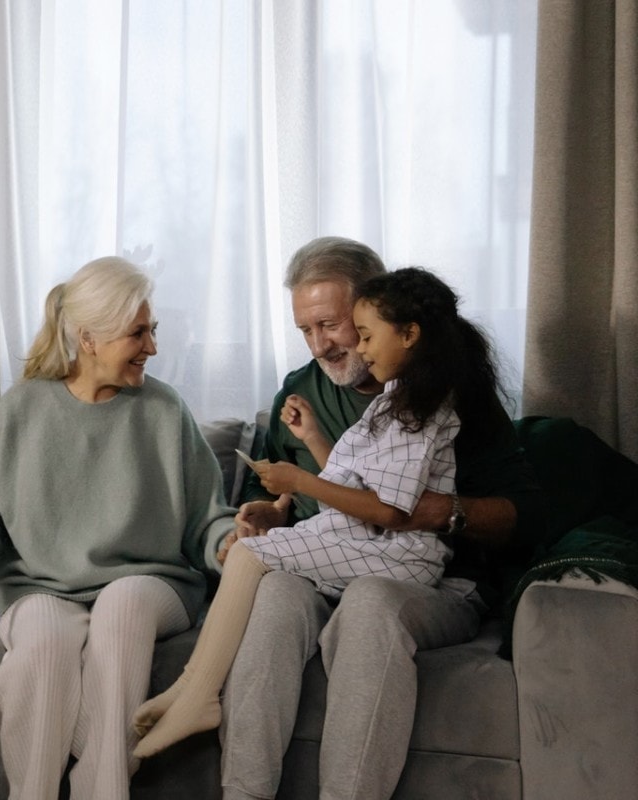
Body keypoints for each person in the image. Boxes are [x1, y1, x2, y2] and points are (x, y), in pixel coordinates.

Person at [202, 237, 542, 800]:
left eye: (332, 326)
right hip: (324, 565)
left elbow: (524, 516)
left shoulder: (444, 394)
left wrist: (443, 512)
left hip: (425, 579)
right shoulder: (300, 390)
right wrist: (270, 515)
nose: (320, 345)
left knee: (370, 603)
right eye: (305, 331)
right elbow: (301, 491)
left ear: (375, 311)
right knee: (276, 596)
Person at [132, 266, 492, 757]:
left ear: (409, 335)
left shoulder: (419, 411)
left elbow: (388, 511)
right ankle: (193, 691)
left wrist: (298, 480)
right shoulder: (396, 400)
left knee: (251, 554)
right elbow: (355, 486)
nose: (358, 349)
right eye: (305, 330)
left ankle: (196, 692)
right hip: (374, 544)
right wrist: (312, 440)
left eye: (363, 335)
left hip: (399, 555)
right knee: (253, 550)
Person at [0, 256, 237, 800]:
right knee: (44, 644)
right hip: (38, 584)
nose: (153, 347)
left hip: (151, 580)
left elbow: (206, 519)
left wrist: (228, 542)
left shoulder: (165, 410)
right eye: (137, 333)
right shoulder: (22, 408)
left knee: (121, 606)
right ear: (89, 338)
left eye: (153, 330)